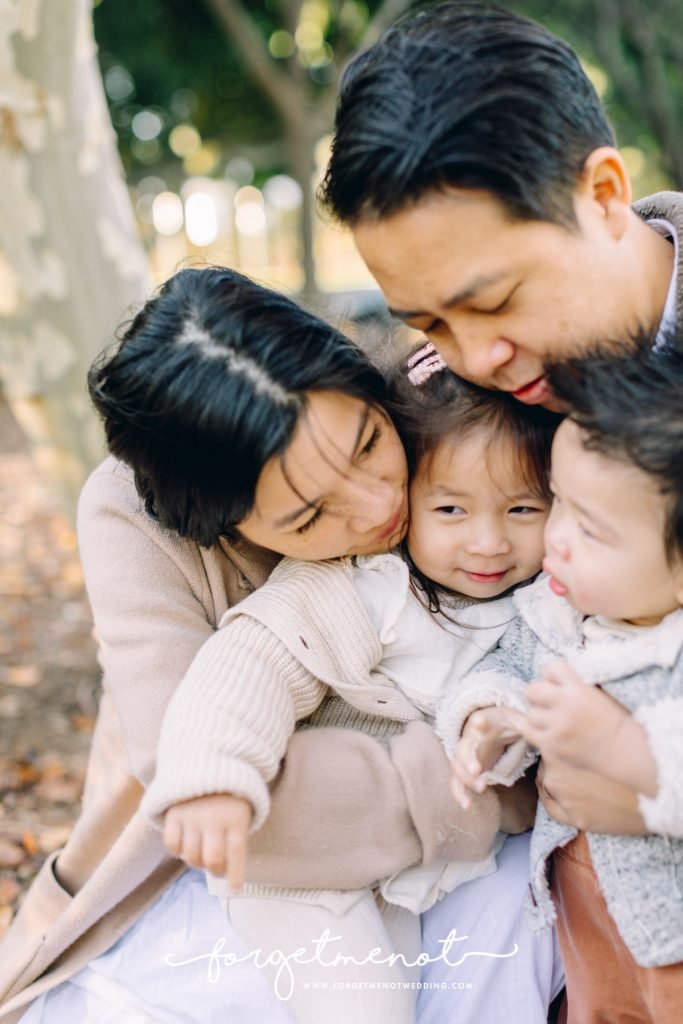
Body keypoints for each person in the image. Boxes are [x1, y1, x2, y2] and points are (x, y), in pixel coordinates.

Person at [0, 269, 559, 1024]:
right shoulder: (186, 539)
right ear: (223, 530)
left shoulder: (438, 424)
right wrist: (477, 785)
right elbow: (209, 768)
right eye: (308, 516)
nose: (379, 504)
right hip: (233, 869)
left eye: (367, 442)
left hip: (426, 852)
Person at [319, 1, 682, 846]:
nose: (476, 358)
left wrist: (644, 798)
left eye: (494, 303)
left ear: (601, 195)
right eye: (431, 324)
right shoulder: (458, 396)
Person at [137, 342, 558, 1021]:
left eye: (521, 511)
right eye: (450, 511)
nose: (487, 543)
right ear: (417, 495)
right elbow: (250, 664)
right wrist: (213, 777)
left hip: (396, 870)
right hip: (301, 881)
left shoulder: (543, 602)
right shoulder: (363, 585)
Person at [447, 341, 683, 1023]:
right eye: (556, 502)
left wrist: (617, 745)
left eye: (593, 529)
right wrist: (486, 716)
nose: (556, 538)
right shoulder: (558, 612)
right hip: (579, 915)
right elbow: (508, 666)